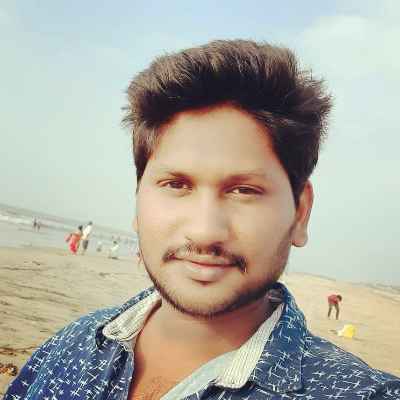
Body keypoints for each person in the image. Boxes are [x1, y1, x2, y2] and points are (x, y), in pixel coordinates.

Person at [5, 40, 400, 399]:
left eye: (244, 190)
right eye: (176, 184)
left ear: (300, 213)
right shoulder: (71, 343)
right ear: (138, 200)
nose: (205, 231)